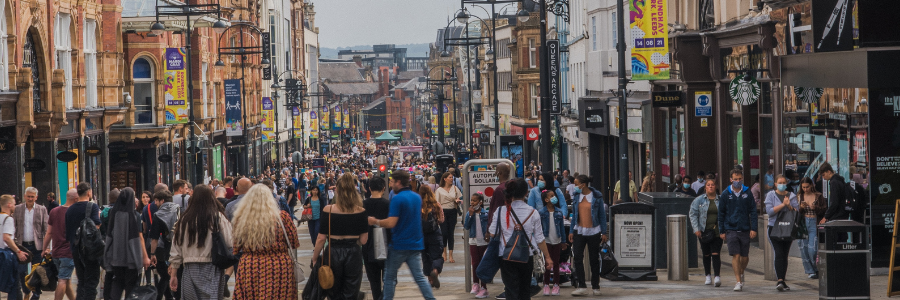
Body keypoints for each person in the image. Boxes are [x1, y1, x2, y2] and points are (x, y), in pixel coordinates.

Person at [367, 170, 436, 300]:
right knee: (420, 278)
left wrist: (375, 221)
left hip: (399, 245)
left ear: (398, 182)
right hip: (415, 244)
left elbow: (392, 222)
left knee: (389, 278)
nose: (391, 185)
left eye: (392, 182)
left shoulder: (397, 199)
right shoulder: (416, 197)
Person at [231, 184, 299, 300]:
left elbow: (236, 247)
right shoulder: (282, 217)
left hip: (250, 265)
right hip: (279, 266)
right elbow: (294, 242)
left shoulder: (241, 219)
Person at [489, 178, 553, 300]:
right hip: (526, 256)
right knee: (525, 290)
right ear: (526, 193)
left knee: (510, 290)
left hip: (506, 255)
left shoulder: (500, 210)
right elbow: (539, 238)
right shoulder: (533, 212)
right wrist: (548, 257)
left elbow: (492, 233)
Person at [168, 185, 232, 299]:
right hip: (213, 267)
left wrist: (174, 273)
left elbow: (176, 247)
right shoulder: (218, 217)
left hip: (190, 268)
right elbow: (229, 242)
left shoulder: (185, 219)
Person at [310, 174, 369, 300]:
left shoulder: (328, 210)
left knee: (333, 290)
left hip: (333, 253)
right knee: (351, 291)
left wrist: (315, 258)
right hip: (353, 253)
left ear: (337, 190)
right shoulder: (361, 211)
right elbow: (364, 240)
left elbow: (321, 238)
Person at [103, 188, 152, 298]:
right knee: (131, 287)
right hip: (131, 258)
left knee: (117, 283)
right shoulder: (134, 215)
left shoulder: (113, 214)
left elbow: (109, 235)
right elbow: (139, 237)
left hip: (116, 257)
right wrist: (144, 256)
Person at [718, 169, 758, 292]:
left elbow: (753, 211)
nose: (737, 181)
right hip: (731, 228)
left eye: (739, 179)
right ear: (731, 179)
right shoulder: (726, 194)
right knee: (736, 254)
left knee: (744, 256)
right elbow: (721, 213)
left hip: (745, 228)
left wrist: (754, 228)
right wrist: (722, 230)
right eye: (735, 179)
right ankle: (738, 281)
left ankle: (741, 271)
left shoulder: (747, 192)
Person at [568, 175, 607, 296]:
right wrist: (571, 231)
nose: (575, 187)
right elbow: (574, 215)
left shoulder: (596, 196)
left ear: (583, 184)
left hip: (594, 231)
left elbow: (601, 215)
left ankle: (596, 286)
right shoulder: (576, 196)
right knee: (578, 257)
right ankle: (582, 285)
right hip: (579, 230)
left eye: (576, 184)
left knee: (594, 259)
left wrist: (604, 232)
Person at [65, 182, 102, 300]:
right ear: (89, 192)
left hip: (75, 249)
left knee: (81, 280)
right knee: (91, 281)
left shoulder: (70, 210)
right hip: (89, 249)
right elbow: (96, 225)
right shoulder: (92, 206)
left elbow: (68, 231)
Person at [764, 175, 799, 291]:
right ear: (775, 184)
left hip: (788, 229)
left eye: (784, 182)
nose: (782, 184)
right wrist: (783, 205)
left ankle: (782, 280)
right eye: (780, 182)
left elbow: (796, 211)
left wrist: (789, 205)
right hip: (774, 228)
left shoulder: (792, 196)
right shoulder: (770, 195)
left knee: (784, 255)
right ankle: (779, 280)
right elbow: (769, 212)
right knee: (778, 253)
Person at [42, 189, 77, 300]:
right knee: (62, 280)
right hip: (68, 253)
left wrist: (44, 249)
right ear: (76, 199)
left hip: (55, 252)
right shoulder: (74, 212)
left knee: (66, 280)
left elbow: (49, 233)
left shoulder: (54, 211)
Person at [15, 187, 48, 300]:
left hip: (37, 245)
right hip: (22, 245)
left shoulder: (42, 209)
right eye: (28, 196)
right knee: (21, 271)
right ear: (24, 196)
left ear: (36, 197)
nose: (30, 198)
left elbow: (46, 229)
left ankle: (36, 295)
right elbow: (14, 227)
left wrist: (46, 247)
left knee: (37, 272)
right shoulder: (17, 209)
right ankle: (26, 290)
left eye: (32, 196)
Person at [689, 179, 723, 287]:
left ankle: (717, 276)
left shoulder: (721, 200)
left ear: (716, 186)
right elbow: (693, 214)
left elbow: (726, 214)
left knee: (716, 253)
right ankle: (708, 275)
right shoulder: (699, 200)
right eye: (708, 185)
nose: (711, 187)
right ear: (705, 187)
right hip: (704, 231)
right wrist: (696, 229)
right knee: (706, 254)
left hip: (717, 231)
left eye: (713, 185)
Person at [362, 177, 390, 300]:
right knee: (389, 281)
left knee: (374, 282)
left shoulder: (362, 205)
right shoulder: (388, 204)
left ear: (369, 189)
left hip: (368, 247)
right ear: (384, 188)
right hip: (387, 246)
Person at [146, 190, 178, 300]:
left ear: (162, 201)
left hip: (168, 248)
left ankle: (158, 296)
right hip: (181, 247)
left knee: (165, 275)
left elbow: (154, 238)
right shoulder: (179, 209)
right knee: (174, 274)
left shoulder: (158, 215)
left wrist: (152, 254)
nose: (155, 203)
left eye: (156, 200)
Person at [797, 177, 826, 279]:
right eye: (803, 187)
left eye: (807, 187)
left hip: (814, 222)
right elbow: (797, 212)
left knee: (812, 249)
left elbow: (824, 209)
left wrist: (815, 208)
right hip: (804, 223)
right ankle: (810, 271)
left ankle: (816, 268)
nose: (805, 189)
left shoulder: (818, 196)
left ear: (811, 185)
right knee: (803, 248)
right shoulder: (800, 196)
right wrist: (801, 208)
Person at [538, 189, 565, 296]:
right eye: (551, 196)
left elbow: (562, 228)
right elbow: (539, 228)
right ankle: (546, 284)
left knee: (556, 263)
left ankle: (556, 284)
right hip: (546, 241)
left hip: (557, 240)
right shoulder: (541, 212)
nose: (554, 197)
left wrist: (563, 241)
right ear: (546, 200)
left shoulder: (559, 212)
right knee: (547, 264)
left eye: (554, 195)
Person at [464, 192, 490, 298]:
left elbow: (489, 226)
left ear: (480, 202)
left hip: (483, 241)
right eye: (471, 200)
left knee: (483, 264)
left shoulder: (486, 213)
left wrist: (488, 235)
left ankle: (484, 287)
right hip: (473, 240)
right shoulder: (469, 213)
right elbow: (466, 226)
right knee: (475, 263)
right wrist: (470, 215)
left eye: (474, 201)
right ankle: (476, 284)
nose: (472, 202)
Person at [1, 194, 27, 300]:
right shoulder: (8, 219)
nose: (15, 207)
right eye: (14, 204)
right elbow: (6, 237)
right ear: (9, 204)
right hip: (6, 256)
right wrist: (18, 251)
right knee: (14, 286)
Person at [419, 185, 445, 288]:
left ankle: (430, 281)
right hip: (435, 234)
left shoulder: (418, 206)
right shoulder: (436, 205)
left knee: (425, 257)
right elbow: (441, 220)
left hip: (422, 235)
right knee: (437, 256)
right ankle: (435, 271)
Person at [434, 172, 461, 264]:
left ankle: (450, 255)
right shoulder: (439, 190)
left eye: (452, 177)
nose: (451, 179)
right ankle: (444, 252)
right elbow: (437, 203)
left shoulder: (455, 188)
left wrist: (457, 201)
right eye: (449, 177)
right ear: (444, 179)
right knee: (444, 232)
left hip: (452, 211)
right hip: (443, 212)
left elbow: (458, 198)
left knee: (451, 233)